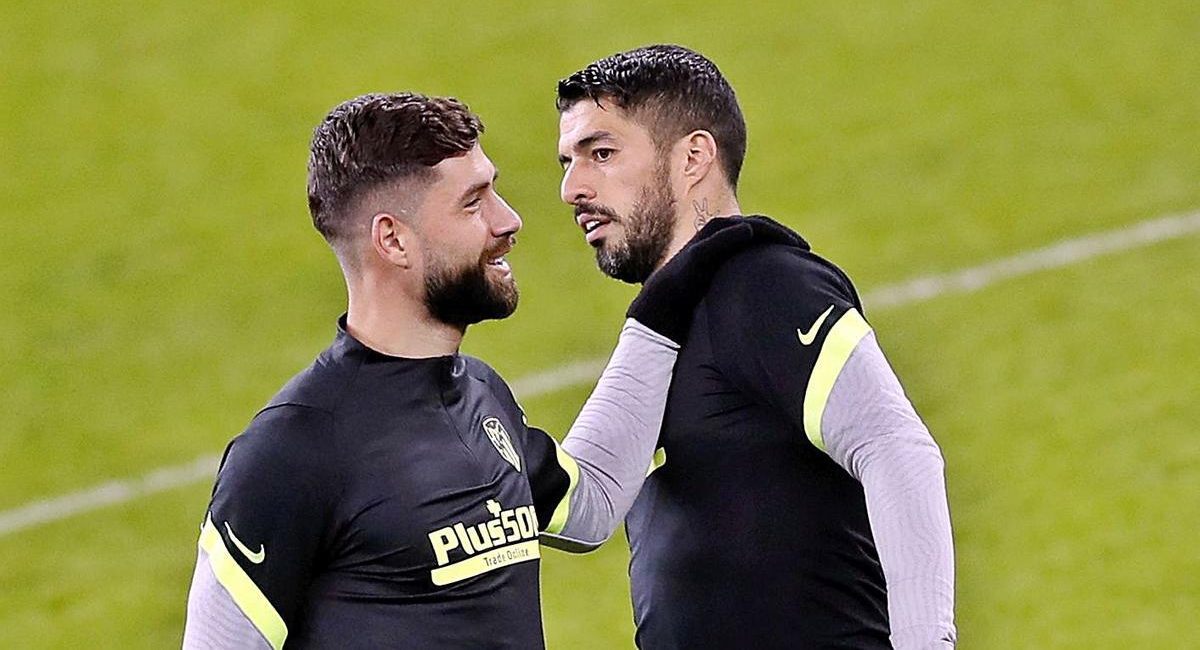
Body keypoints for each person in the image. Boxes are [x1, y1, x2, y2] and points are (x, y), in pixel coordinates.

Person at [181, 91, 773, 649]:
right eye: (473, 202)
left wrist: (667, 299)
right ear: (393, 240)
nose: (509, 220)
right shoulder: (293, 450)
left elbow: (589, 504)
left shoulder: (481, 396)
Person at [554, 45, 957, 649]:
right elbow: (583, 509)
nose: (571, 188)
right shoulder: (664, 327)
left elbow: (895, 446)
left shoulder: (765, 285)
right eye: (567, 161)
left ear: (693, 157)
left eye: (602, 154)